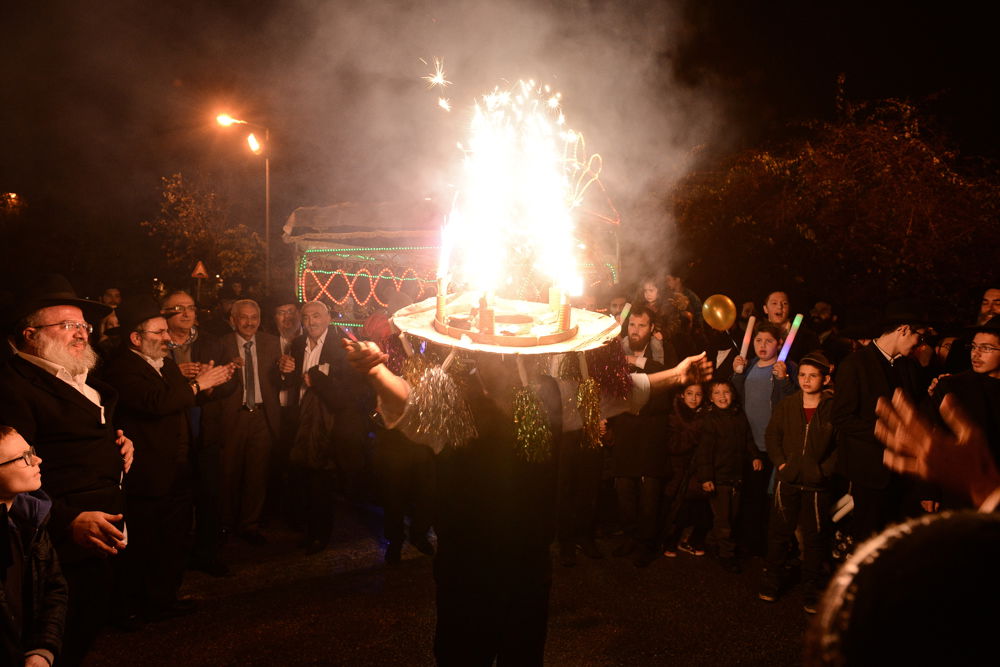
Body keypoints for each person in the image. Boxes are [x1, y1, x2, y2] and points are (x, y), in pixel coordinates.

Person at [344, 335, 713, 666]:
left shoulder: (549, 393)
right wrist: (376, 371)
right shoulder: (454, 393)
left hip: (528, 565)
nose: (509, 357)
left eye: (517, 350)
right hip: (467, 567)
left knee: (522, 656)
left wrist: (676, 376)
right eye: (498, 350)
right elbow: (409, 403)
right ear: (478, 351)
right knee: (462, 656)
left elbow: (618, 395)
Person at [0, 274, 133, 665]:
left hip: (100, 537)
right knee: (53, 644)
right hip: (60, 543)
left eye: (84, 325)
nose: (81, 333)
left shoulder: (78, 377)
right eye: (67, 325)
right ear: (30, 334)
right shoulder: (12, 387)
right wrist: (65, 521)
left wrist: (120, 444)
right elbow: (9, 473)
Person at [100, 298, 232, 623]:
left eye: (165, 332)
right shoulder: (122, 368)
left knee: (173, 538)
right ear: (136, 338)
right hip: (147, 471)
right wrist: (199, 384)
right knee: (143, 540)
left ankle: (164, 598)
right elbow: (156, 403)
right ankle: (129, 607)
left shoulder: (166, 364)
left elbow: (180, 400)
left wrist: (202, 385)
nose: (167, 338)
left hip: (179, 466)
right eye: (159, 333)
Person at [831, 301, 928, 543]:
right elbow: (841, 417)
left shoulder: (909, 365)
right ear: (903, 330)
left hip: (902, 473)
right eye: (919, 336)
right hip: (870, 472)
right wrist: (882, 431)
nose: (920, 343)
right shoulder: (855, 364)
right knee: (868, 539)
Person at [286, 301, 370, 554]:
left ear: (328, 318)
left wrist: (318, 380)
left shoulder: (343, 347)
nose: (311, 321)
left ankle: (320, 535)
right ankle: (308, 530)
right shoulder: (298, 344)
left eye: (316, 316)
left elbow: (347, 396)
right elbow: (294, 383)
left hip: (329, 423)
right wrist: (285, 371)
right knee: (304, 479)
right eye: (306, 317)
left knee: (321, 483)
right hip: (302, 421)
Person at [758, 352, 837, 613]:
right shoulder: (788, 404)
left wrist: (823, 472)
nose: (806, 380)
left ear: (825, 379)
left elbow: (841, 445)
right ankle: (772, 581)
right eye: (802, 374)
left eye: (813, 375)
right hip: (788, 480)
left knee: (814, 538)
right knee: (779, 533)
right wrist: (782, 464)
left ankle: (810, 589)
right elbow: (772, 435)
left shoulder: (833, 408)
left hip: (816, 485)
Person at [160, 290, 231, 576]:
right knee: (174, 498)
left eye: (190, 307)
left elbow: (230, 384)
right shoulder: (158, 342)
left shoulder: (211, 342)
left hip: (205, 426)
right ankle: (171, 558)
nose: (187, 313)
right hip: (170, 430)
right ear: (164, 313)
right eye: (179, 308)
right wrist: (175, 375)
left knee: (209, 494)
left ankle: (206, 554)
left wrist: (211, 385)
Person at [216, 299, 284, 545]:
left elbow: (280, 381)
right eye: (243, 317)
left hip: (262, 416)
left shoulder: (272, 342)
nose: (249, 322)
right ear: (233, 320)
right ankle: (224, 523)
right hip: (234, 415)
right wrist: (228, 370)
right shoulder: (220, 344)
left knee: (257, 473)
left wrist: (285, 371)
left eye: (254, 317)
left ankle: (250, 525)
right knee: (228, 471)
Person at [0, 426, 68, 667]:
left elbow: (53, 587)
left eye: (31, 451)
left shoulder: (30, 517)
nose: (37, 460)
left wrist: (42, 649)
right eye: (23, 458)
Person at [732, 322, 798, 556]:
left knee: (771, 499)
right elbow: (734, 397)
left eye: (768, 341)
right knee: (751, 496)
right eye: (758, 340)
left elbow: (792, 403)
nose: (762, 345)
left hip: (776, 446)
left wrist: (783, 379)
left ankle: (772, 546)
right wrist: (737, 374)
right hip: (751, 445)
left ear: (779, 344)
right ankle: (749, 543)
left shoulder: (786, 367)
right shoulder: (749, 365)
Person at [695, 379, 761, 572]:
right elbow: (704, 452)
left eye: (726, 392)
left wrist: (755, 456)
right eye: (717, 393)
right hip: (718, 477)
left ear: (733, 395)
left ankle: (711, 541)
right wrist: (706, 478)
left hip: (736, 477)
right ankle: (726, 554)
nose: (722, 397)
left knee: (732, 516)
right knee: (723, 519)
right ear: (710, 398)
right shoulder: (710, 420)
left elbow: (748, 439)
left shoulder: (739, 416)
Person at [661, 384, 711, 559]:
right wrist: (696, 431)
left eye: (698, 394)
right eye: (689, 393)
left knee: (695, 508)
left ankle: (686, 540)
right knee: (674, 507)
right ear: (682, 395)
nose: (694, 398)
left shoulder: (706, 415)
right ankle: (669, 540)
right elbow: (673, 445)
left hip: (696, 471)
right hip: (676, 470)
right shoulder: (674, 414)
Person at [761, 291, 821, 363]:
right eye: (774, 303)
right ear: (765, 309)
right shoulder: (757, 333)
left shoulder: (806, 334)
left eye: (784, 303)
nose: (780, 307)